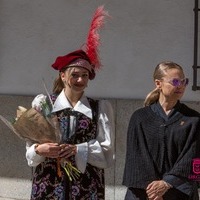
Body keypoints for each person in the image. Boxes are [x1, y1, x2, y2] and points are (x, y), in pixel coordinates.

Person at [25, 6, 115, 200]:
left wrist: (77, 150)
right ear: (63, 75)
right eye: (75, 75)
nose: (81, 80)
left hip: (87, 186)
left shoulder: (99, 108)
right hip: (48, 184)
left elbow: (107, 153)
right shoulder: (43, 104)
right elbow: (30, 153)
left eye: (85, 76)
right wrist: (40, 150)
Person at [122, 61, 200, 200]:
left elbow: (194, 156)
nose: (181, 86)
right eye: (175, 81)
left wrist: (167, 183)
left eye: (184, 81)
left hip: (179, 192)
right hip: (144, 193)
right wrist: (154, 191)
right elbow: (136, 156)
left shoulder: (193, 119)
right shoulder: (140, 118)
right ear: (158, 83)